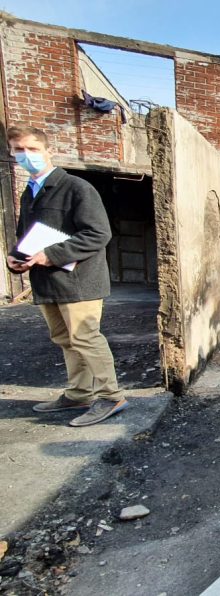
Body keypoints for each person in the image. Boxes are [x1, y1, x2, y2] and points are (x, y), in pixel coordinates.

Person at [6, 126, 128, 427]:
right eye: (18, 150)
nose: (26, 156)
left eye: (32, 149)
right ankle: (78, 392)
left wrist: (53, 254)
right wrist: (16, 258)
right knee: (63, 337)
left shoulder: (75, 188)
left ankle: (110, 396)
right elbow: (26, 235)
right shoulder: (30, 192)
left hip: (79, 279)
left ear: (49, 151)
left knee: (85, 337)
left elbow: (98, 233)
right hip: (48, 280)